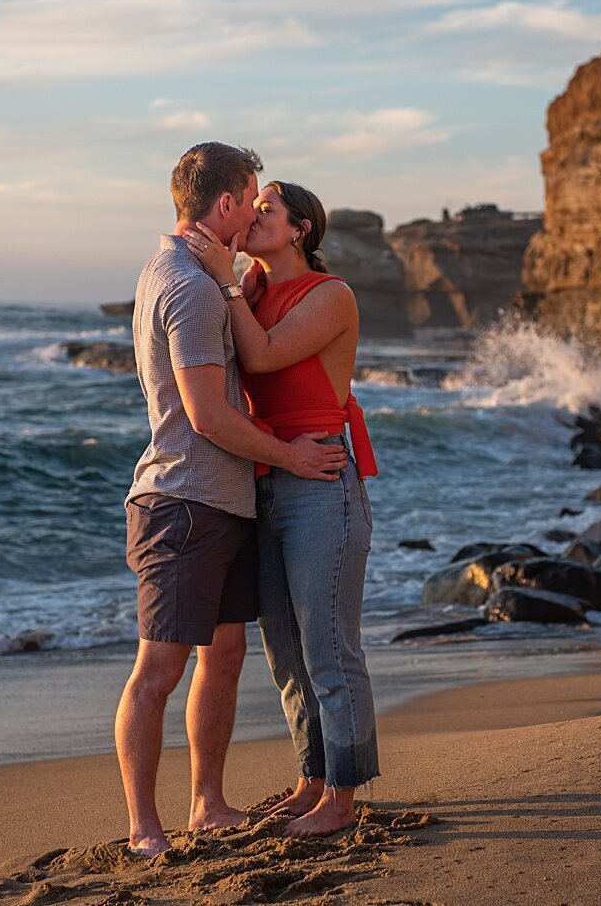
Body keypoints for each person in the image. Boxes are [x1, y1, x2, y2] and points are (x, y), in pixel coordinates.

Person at [118, 143, 349, 858]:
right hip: (183, 500)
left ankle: (208, 802)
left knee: (222, 654)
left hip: (226, 499)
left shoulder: (209, 276)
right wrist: (293, 456)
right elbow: (208, 415)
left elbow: (267, 358)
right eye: (252, 197)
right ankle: (143, 828)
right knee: (159, 668)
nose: (254, 210)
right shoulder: (188, 283)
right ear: (227, 204)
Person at [183, 179, 380, 838]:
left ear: (299, 229)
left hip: (319, 475)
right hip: (263, 477)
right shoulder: (254, 290)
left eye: (266, 208)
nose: (253, 215)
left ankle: (343, 797)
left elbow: (263, 356)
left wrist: (228, 278)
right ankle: (312, 777)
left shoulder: (331, 295)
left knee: (328, 644)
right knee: (285, 652)